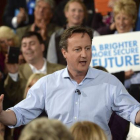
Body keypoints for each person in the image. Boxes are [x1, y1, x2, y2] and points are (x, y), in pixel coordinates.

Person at [0, 26, 140, 140]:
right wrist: (2, 115)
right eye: (77, 49)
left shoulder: (109, 82)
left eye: (87, 48)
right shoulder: (48, 83)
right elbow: (19, 114)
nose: (84, 54)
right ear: (64, 52)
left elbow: (134, 111)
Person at [4, 31, 65, 105]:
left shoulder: (61, 70)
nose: (28, 48)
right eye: (24, 45)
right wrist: (13, 74)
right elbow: (12, 97)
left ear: (42, 47)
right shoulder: (17, 72)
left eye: (32, 43)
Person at [47, 0, 99, 65]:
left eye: (80, 11)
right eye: (73, 10)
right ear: (66, 13)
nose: (77, 14)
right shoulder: (56, 36)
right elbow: (52, 64)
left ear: (84, 14)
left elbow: (98, 59)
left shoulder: (94, 34)